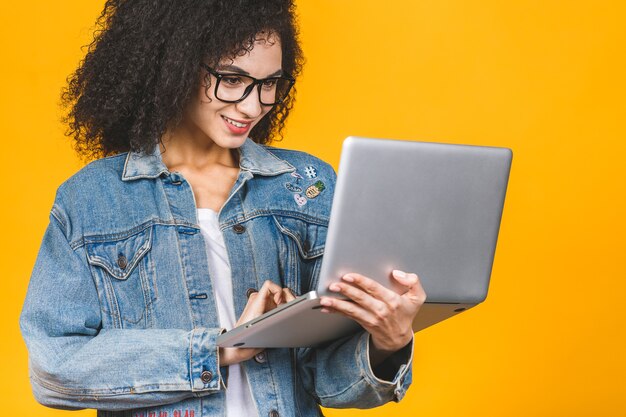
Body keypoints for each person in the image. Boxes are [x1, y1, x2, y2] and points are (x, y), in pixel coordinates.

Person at [19, 1, 427, 416]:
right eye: (232, 80)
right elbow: (55, 369)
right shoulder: (91, 200)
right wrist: (217, 349)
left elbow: (328, 382)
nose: (253, 106)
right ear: (173, 66)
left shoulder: (306, 186)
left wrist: (387, 343)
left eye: (270, 83)